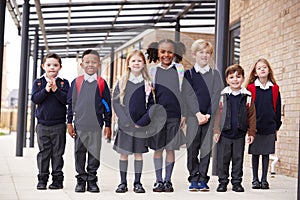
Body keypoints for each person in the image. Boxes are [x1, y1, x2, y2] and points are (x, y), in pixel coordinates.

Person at [67, 49, 112, 193]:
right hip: (80, 125)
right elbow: (71, 104)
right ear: (82, 64)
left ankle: (92, 180)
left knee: (94, 153)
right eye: (87, 62)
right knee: (79, 153)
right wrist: (69, 122)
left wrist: (108, 124)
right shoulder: (77, 82)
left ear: (98, 64)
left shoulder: (101, 83)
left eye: (94, 62)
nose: (90, 65)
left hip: (96, 126)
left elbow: (106, 105)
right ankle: (81, 180)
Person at [146, 39, 186, 193]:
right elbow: (149, 94)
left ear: (174, 53)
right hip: (158, 117)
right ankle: (158, 181)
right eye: (163, 52)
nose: (166, 55)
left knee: (170, 149)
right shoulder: (153, 71)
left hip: (174, 115)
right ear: (158, 53)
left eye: (169, 52)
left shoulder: (180, 69)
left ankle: (168, 181)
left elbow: (183, 93)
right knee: (158, 149)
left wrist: (184, 114)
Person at [113, 50, 155, 193]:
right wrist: (124, 121)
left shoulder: (147, 84)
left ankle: (137, 182)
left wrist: (143, 121)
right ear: (128, 64)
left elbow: (151, 105)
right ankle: (122, 182)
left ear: (143, 64)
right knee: (124, 154)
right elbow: (116, 103)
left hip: (140, 126)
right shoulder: (122, 82)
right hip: (125, 125)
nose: (136, 63)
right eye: (133, 61)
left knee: (138, 154)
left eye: (139, 61)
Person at [184, 39, 223, 191]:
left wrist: (207, 115)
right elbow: (188, 95)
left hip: (209, 117)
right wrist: (197, 113)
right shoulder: (189, 74)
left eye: (207, 53)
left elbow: (215, 95)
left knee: (206, 149)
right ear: (194, 54)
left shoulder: (215, 75)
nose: (204, 55)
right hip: (194, 117)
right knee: (192, 149)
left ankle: (203, 178)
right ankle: (193, 178)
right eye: (201, 52)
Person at [213, 64, 256, 192]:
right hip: (225, 134)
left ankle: (237, 182)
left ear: (243, 78)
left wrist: (251, 132)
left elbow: (252, 116)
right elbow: (217, 115)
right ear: (227, 80)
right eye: (231, 77)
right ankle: (223, 182)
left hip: (239, 134)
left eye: (238, 77)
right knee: (223, 160)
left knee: (238, 159)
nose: (235, 80)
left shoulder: (247, 96)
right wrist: (216, 131)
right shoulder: (222, 96)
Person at [31, 53, 70, 190]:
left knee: (58, 153)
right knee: (44, 153)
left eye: (55, 65)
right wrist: (46, 90)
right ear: (43, 66)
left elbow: (67, 100)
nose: (52, 68)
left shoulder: (64, 83)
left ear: (60, 67)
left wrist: (55, 89)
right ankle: (42, 179)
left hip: (58, 125)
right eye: (48, 65)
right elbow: (35, 99)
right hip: (42, 125)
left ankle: (57, 179)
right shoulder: (38, 82)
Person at [245, 58, 282, 190]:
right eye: (259, 68)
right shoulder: (250, 88)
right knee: (255, 153)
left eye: (264, 67)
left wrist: (276, 126)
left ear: (269, 70)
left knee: (266, 153)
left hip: (269, 126)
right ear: (255, 72)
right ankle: (255, 179)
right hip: (255, 127)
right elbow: (247, 109)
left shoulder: (275, 89)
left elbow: (277, 108)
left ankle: (264, 180)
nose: (262, 69)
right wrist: (249, 128)